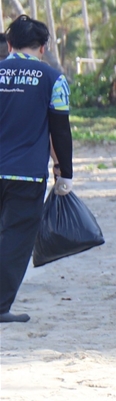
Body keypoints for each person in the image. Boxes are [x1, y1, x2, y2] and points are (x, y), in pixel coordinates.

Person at [0, 16, 74, 324]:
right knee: (15, 239)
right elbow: (60, 129)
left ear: (9, 45)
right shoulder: (53, 79)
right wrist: (64, 172)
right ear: (42, 48)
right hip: (26, 175)